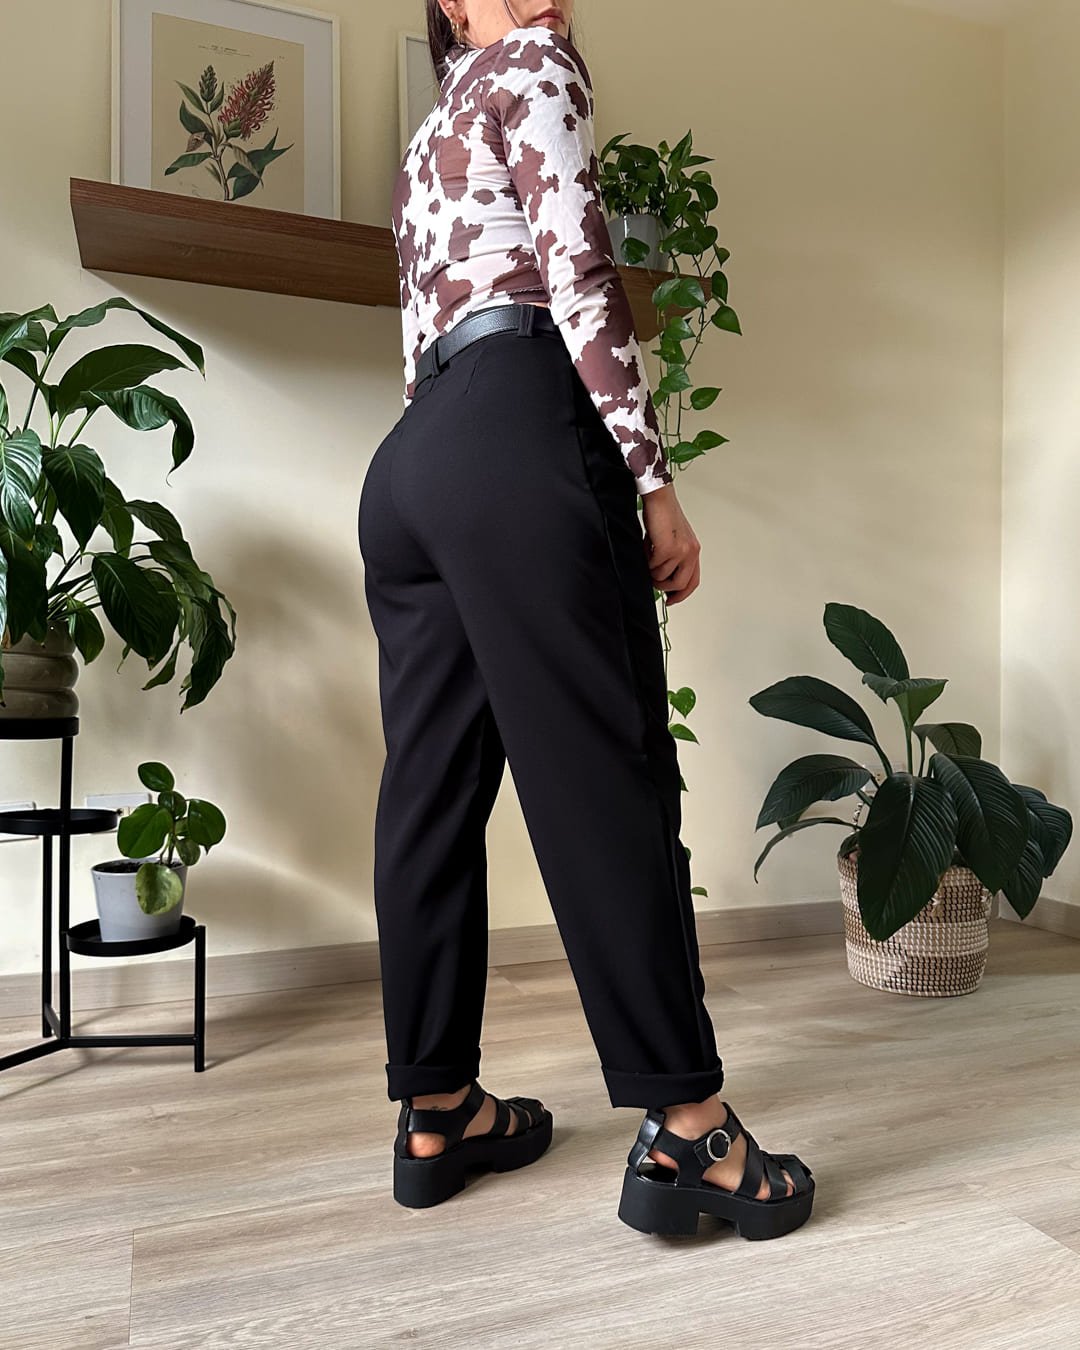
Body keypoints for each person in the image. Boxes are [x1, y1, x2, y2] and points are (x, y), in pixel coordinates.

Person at [357, 0, 815, 1241]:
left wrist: (460, 460)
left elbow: (425, 314)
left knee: (430, 790)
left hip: (415, 454)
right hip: (518, 416)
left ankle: (436, 1110)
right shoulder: (534, 61)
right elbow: (578, 273)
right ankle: (691, 1131)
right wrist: (652, 483)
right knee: (607, 773)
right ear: (451, 3)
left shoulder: (430, 128)